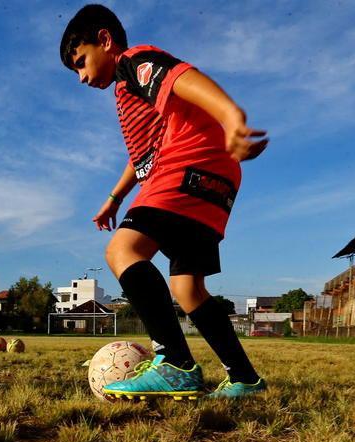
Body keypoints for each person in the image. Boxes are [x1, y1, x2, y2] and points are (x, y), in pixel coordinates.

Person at [60, 4, 268, 400]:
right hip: (215, 179)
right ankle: (244, 378)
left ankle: (175, 363)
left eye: (81, 62)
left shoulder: (131, 62)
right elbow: (143, 156)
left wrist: (231, 115)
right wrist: (114, 197)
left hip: (190, 161)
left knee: (123, 250)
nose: (82, 77)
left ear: (104, 40)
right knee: (188, 289)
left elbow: (182, 76)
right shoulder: (135, 100)